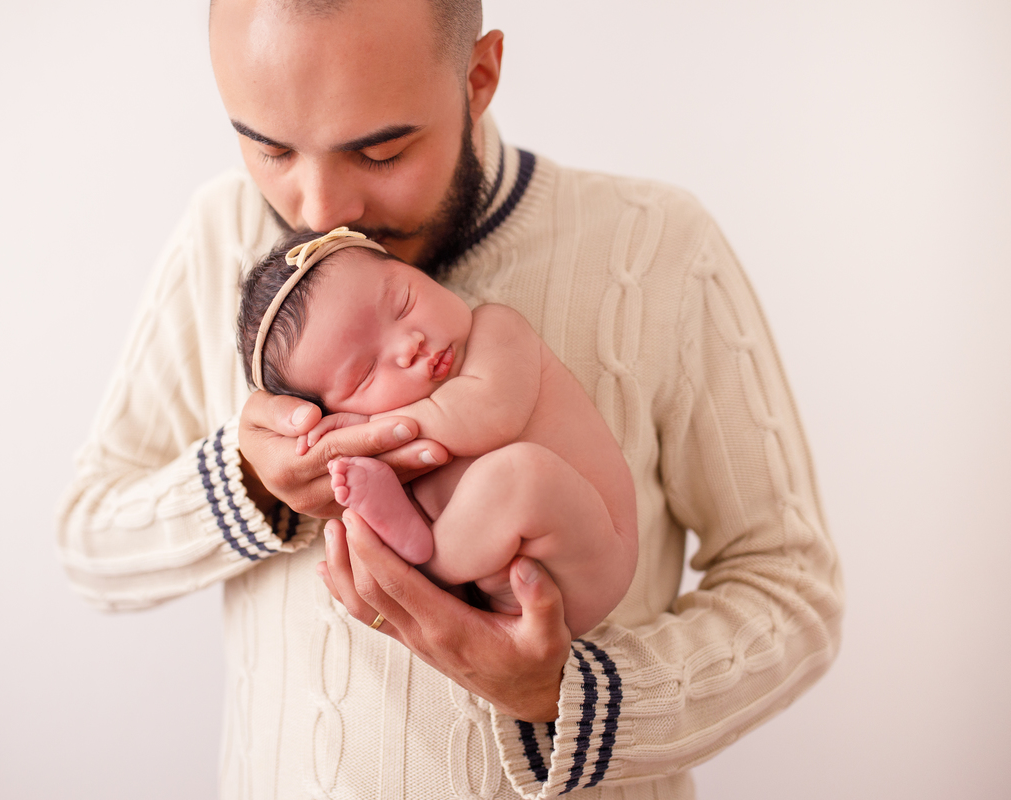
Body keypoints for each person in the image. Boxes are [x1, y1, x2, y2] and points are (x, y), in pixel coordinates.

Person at [55, 0, 845, 797]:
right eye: (269, 149)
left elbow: (792, 589)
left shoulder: (657, 245)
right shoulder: (221, 242)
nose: (320, 212)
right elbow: (87, 543)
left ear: (479, 76)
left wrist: (574, 701)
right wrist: (248, 484)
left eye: (381, 151)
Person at [238, 227, 639, 637]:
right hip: (497, 595)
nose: (408, 344)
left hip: (593, 555)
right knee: (397, 495)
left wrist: (370, 430)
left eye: (403, 303)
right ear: (330, 412)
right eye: (365, 373)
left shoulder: (497, 331)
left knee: (520, 473)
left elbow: (488, 417)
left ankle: (425, 567)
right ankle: (411, 535)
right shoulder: (398, 440)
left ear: (417, 271)